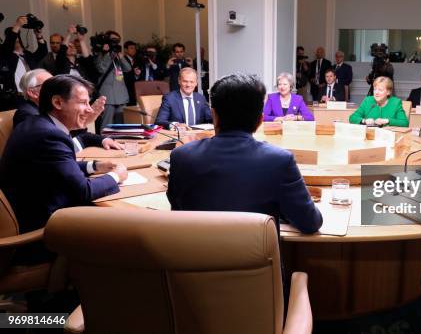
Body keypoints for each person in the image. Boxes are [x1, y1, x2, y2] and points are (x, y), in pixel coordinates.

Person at [166, 73, 323, 236]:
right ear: (260, 120)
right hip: (258, 260)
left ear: (214, 115)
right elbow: (311, 222)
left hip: (195, 258)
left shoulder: (181, 157)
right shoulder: (279, 161)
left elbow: (177, 209)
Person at [0, 75, 127, 263]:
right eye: (83, 102)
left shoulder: (37, 124)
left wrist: (95, 166)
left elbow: (56, 166)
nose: (89, 109)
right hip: (41, 234)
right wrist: (115, 176)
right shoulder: (49, 135)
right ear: (58, 102)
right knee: (123, 227)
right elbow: (84, 191)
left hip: (32, 213)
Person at [13, 69, 122, 152]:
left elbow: (79, 136)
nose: (57, 87)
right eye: (48, 84)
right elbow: (55, 141)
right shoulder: (27, 115)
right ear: (33, 93)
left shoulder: (51, 111)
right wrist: (83, 122)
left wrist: (103, 140)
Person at [0, 16, 48, 111]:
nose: (16, 40)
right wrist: (18, 25)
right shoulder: (6, 56)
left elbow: (43, 52)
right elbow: (8, 45)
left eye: (17, 37)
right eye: (13, 36)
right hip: (16, 97)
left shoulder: (27, 55)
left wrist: (38, 35)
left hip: (33, 96)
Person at [93, 30, 132, 128]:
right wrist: (107, 54)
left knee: (122, 126)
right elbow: (101, 69)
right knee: (107, 125)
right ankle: (104, 142)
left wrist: (121, 56)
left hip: (121, 96)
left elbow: (128, 69)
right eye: (113, 40)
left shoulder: (118, 55)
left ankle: (120, 143)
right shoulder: (100, 54)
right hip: (108, 96)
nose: (115, 42)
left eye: (117, 40)